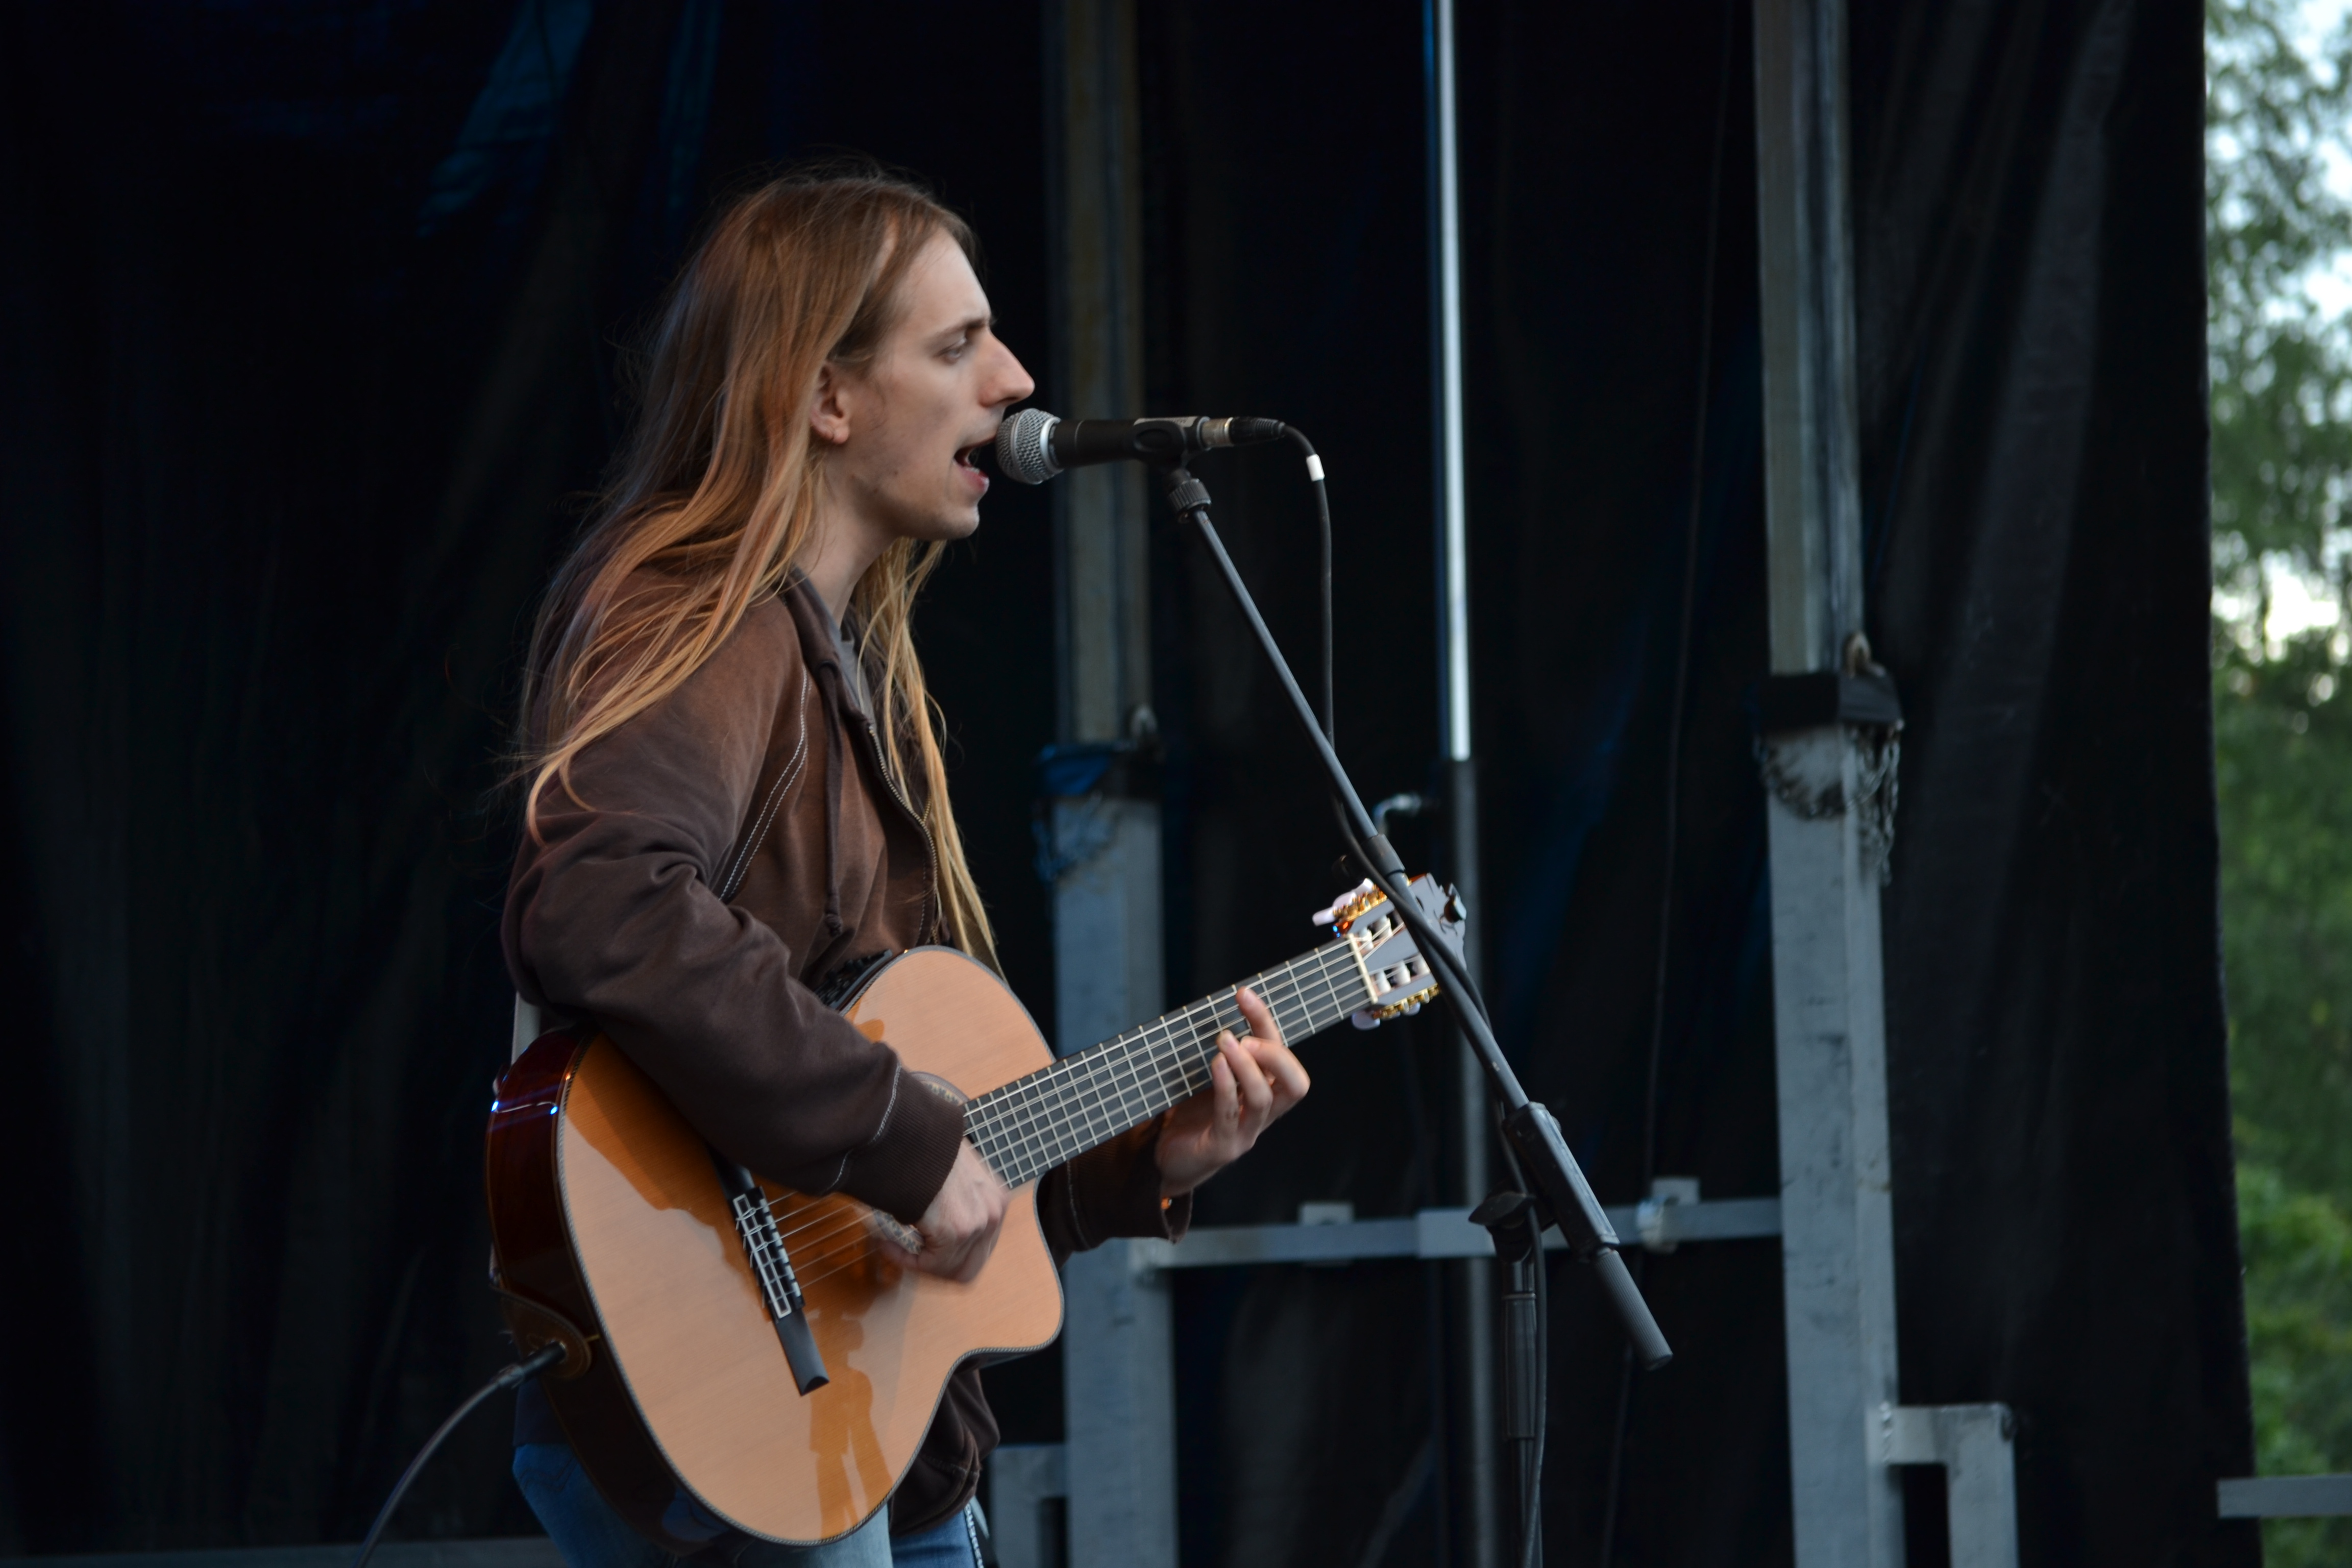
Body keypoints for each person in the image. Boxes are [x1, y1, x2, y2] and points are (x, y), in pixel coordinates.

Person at [500, 168, 1310, 1567]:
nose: (1016, 380)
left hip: (870, 1428)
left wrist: (1142, 1163)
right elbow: (601, 896)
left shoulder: (842, 666)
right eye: (957, 346)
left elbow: (902, 1199)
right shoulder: (705, 618)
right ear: (828, 398)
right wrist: (905, 1137)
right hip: (739, 1411)